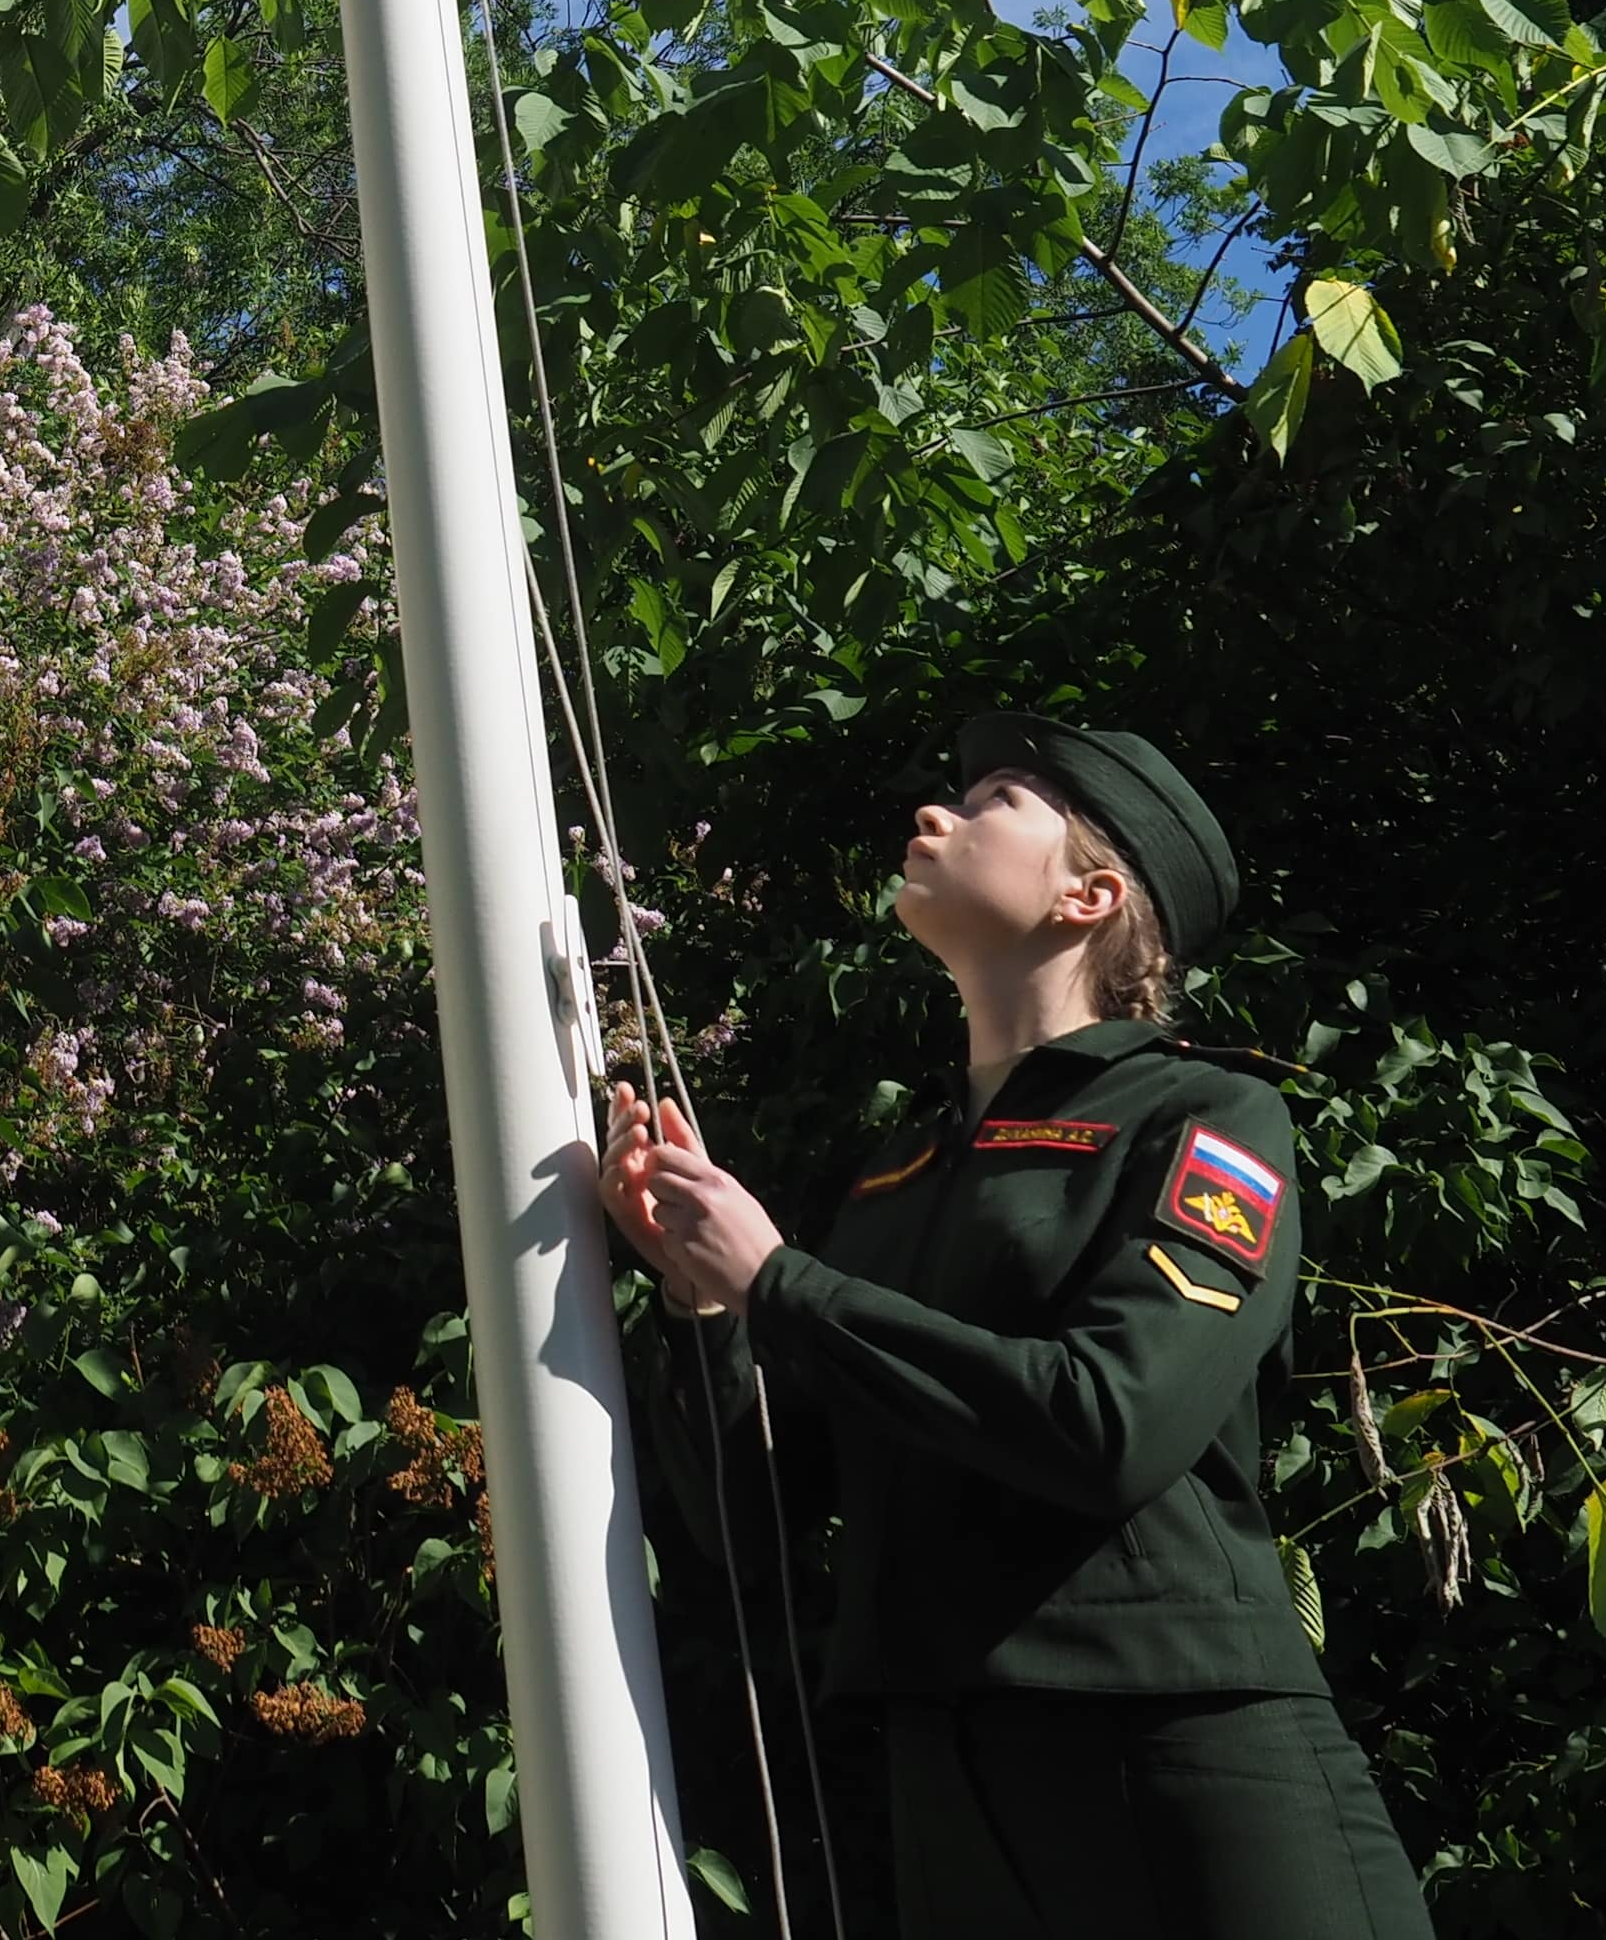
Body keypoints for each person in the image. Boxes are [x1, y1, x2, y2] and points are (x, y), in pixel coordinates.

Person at [602, 714, 1434, 1939]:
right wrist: (702, 1299)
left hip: (1180, 1743)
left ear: (1091, 894)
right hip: (946, 1769)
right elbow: (758, 1531)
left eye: (993, 801)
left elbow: (1112, 1424)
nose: (934, 816)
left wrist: (782, 1283)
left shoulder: (1205, 1115)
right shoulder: (901, 1170)